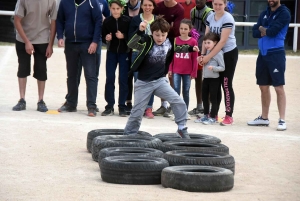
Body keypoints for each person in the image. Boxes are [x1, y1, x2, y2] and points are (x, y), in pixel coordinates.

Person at [123, 17, 198, 138]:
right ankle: (129, 135)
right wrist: (140, 31)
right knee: (137, 113)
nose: (160, 38)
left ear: (167, 34)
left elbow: (177, 48)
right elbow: (131, 44)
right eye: (157, 35)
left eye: (163, 35)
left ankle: (181, 128)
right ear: (152, 33)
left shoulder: (170, 42)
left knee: (178, 101)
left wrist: (190, 48)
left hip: (160, 81)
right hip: (143, 83)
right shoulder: (147, 40)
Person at [247, 0, 291, 131]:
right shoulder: (265, 12)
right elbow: (254, 31)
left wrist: (263, 28)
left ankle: (282, 119)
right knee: (263, 87)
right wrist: (263, 29)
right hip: (262, 54)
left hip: (276, 54)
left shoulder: (284, 13)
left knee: (278, 87)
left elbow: (272, 31)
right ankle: (264, 118)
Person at [56, 0, 102, 117]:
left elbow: (98, 21)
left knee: (90, 75)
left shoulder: (92, 2)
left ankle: (91, 106)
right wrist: (60, 36)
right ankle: (71, 103)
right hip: (71, 43)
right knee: (72, 75)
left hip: (87, 44)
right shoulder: (64, 2)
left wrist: (95, 41)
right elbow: (60, 20)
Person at [12, 0, 57, 112]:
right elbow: (17, 21)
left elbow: (53, 21)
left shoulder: (51, 1)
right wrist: (27, 42)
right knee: (23, 67)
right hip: (23, 37)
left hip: (42, 38)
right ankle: (22, 99)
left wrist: (50, 45)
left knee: (41, 69)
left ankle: (40, 100)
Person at [199, 0, 238, 126]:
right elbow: (206, 37)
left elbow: (222, 41)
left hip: (227, 53)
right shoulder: (210, 16)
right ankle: (213, 114)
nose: (217, 6)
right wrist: (203, 55)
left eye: (220, 4)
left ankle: (228, 115)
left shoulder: (228, 18)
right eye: (215, 4)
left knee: (226, 84)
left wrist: (208, 57)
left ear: (225, 4)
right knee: (214, 83)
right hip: (213, 52)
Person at [152, 0, 184, 117]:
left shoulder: (179, 9)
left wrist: (161, 25)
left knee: (172, 75)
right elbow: (153, 24)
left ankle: (173, 105)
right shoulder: (158, 6)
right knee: (161, 74)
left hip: (172, 44)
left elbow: (176, 29)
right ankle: (164, 105)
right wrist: (163, 26)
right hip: (158, 44)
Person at [127, 0, 157, 119]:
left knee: (151, 81)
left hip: (152, 54)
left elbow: (162, 36)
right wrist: (140, 30)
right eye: (145, 5)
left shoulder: (157, 20)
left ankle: (149, 107)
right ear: (141, 6)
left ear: (153, 7)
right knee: (138, 82)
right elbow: (130, 38)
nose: (147, 7)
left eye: (150, 5)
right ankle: (139, 107)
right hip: (138, 53)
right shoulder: (135, 19)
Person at [101, 0, 131, 117]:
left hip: (124, 53)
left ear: (122, 8)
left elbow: (132, 36)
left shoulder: (127, 21)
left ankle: (122, 106)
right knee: (110, 78)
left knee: (123, 79)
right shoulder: (107, 21)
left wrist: (124, 36)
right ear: (109, 8)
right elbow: (103, 36)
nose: (115, 11)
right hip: (111, 53)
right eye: (113, 9)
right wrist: (106, 38)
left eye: (117, 9)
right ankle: (109, 106)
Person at [168, 19, 198, 120]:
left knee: (186, 91)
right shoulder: (175, 40)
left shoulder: (193, 42)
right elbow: (171, 57)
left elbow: (195, 58)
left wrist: (194, 71)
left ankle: (184, 111)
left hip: (187, 72)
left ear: (190, 30)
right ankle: (176, 112)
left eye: (185, 29)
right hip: (176, 70)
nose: (183, 30)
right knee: (175, 91)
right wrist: (170, 69)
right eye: (181, 28)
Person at [188, 0, 213, 116]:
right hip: (195, 48)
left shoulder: (209, 13)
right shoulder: (192, 11)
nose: (198, 1)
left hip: (206, 49)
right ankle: (199, 106)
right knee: (197, 77)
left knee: (207, 78)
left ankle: (209, 107)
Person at [194, 32, 224, 124]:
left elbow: (222, 67)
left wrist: (214, 68)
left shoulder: (218, 53)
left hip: (214, 79)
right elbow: (204, 63)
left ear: (215, 43)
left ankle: (213, 117)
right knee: (204, 97)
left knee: (213, 99)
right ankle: (206, 115)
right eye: (205, 43)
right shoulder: (207, 52)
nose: (206, 45)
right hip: (206, 78)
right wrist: (200, 60)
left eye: (209, 43)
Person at [123, 0, 142, 115]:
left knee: (139, 78)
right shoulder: (124, 7)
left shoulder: (145, 5)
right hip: (125, 46)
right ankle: (128, 102)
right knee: (127, 76)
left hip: (138, 48)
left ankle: (139, 104)